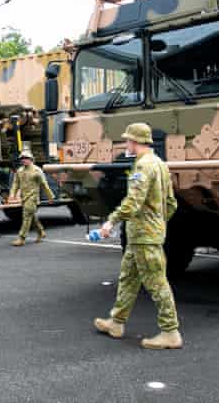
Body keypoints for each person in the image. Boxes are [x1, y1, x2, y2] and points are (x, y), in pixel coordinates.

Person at [93, 122, 183, 350]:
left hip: (144, 236)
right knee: (128, 279)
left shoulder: (143, 166)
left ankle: (170, 332)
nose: (125, 144)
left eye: (127, 140)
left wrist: (110, 222)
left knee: (156, 283)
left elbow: (133, 202)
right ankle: (116, 322)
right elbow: (171, 203)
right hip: (142, 235)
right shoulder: (160, 164)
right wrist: (159, 223)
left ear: (134, 142)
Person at [8, 150, 55, 246]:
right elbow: (15, 183)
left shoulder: (37, 171)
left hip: (33, 197)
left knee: (26, 216)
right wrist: (12, 194)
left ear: (31, 159)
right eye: (22, 159)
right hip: (24, 197)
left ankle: (21, 238)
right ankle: (41, 232)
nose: (24, 160)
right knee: (31, 217)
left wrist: (50, 196)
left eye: (26, 158)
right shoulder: (19, 171)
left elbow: (44, 184)